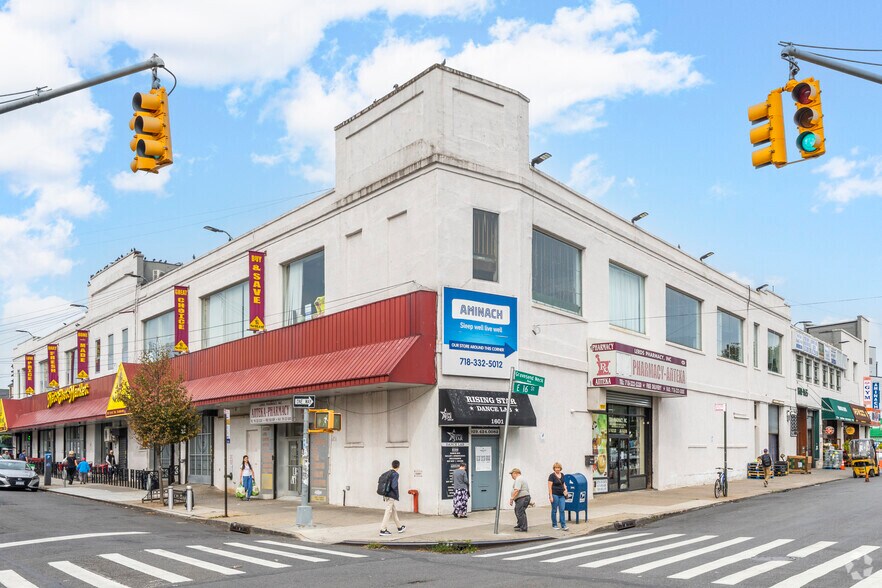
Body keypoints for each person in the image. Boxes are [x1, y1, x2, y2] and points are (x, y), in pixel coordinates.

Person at [379, 459, 406, 536]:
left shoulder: (387, 473)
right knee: (388, 511)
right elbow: (394, 486)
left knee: (393, 511)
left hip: (386, 494)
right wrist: (396, 495)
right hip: (391, 496)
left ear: (392, 465)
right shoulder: (395, 474)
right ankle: (383, 530)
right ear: (398, 466)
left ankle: (399, 527)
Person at [548, 462, 569, 530]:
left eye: (558, 468)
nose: (557, 469)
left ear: (560, 468)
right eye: (556, 468)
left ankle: (563, 525)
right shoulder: (552, 476)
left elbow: (563, 483)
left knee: (562, 509)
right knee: (554, 510)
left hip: (562, 495)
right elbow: (549, 487)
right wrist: (550, 496)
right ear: (554, 468)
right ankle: (554, 524)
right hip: (554, 494)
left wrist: (565, 489)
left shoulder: (562, 475)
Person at [509, 467, 531, 532]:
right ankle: (520, 524)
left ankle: (523, 527)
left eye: (512, 474)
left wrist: (512, 498)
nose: (511, 476)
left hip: (522, 498)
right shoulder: (521, 478)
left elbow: (517, 490)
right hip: (523, 498)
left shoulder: (519, 479)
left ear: (515, 473)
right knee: (517, 510)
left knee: (520, 512)